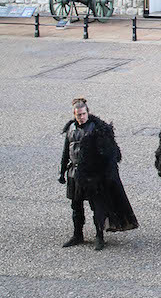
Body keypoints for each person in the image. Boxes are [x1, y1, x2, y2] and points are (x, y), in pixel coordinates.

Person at [59, 98, 138, 250]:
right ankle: (77, 235)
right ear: (74, 115)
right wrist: (62, 171)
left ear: (87, 113)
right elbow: (66, 151)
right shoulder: (70, 129)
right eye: (78, 115)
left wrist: (104, 173)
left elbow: (109, 154)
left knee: (97, 207)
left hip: (92, 176)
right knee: (76, 206)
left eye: (83, 114)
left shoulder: (97, 129)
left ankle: (99, 236)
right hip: (74, 173)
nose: (81, 117)